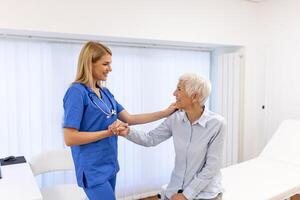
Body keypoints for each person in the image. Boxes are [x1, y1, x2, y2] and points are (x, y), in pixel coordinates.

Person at [63, 41, 176, 200]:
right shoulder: (76, 92)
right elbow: (70, 138)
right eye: (105, 64)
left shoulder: (105, 92)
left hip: (109, 164)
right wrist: (108, 132)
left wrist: (165, 112)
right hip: (92, 168)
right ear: (90, 63)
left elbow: (130, 118)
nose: (110, 68)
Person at [111, 73, 226, 200]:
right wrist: (128, 132)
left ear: (194, 97)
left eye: (179, 89)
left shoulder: (217, 124)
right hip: (176, 189)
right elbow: (151, 139)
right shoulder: (175, 118)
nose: (174, 93)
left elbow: (211, 167)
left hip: (205, 194)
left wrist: (186, 195)